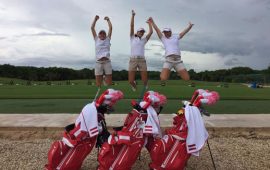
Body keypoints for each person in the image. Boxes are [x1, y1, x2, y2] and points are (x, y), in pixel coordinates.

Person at [149, 17, 194, 86]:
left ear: (170, 32)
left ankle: (178, 72)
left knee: (187, 78)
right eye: (164, 32)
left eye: (167, 32)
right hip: (168, 61)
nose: (165, 33)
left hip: (178, 61)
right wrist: (152, 22)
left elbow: (184, 32)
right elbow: (157, 30)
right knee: (163, 78)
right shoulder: (163, 38)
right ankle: (166, 78)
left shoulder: (176, 37)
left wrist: (190, 26)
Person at [129, 10, 153, 91]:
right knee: (131, 81)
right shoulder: (132, 38)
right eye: (140, 31)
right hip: (133, 60)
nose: (142, 33)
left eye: (143, 32)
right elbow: (131, 26)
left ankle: (146, 84)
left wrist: (150, 23)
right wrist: (133, 15)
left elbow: (151, 32)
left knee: (145, 80)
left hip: (142, 60)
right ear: (137, 32)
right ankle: (134, 85)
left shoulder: (144, 40)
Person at [91, 15, 113, 87]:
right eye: (101, 33)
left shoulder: (108, 39)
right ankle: (103, 79)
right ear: (98, 35)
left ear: (106, 35)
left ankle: (108, 96)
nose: (102, 34)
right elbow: (92, 28)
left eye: (104, 33)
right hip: (98, 63)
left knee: (109, 84)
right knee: (98, 84)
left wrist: (108, 19)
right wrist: (95, 19)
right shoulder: (96, 39)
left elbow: (110, 28)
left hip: (107, 62)